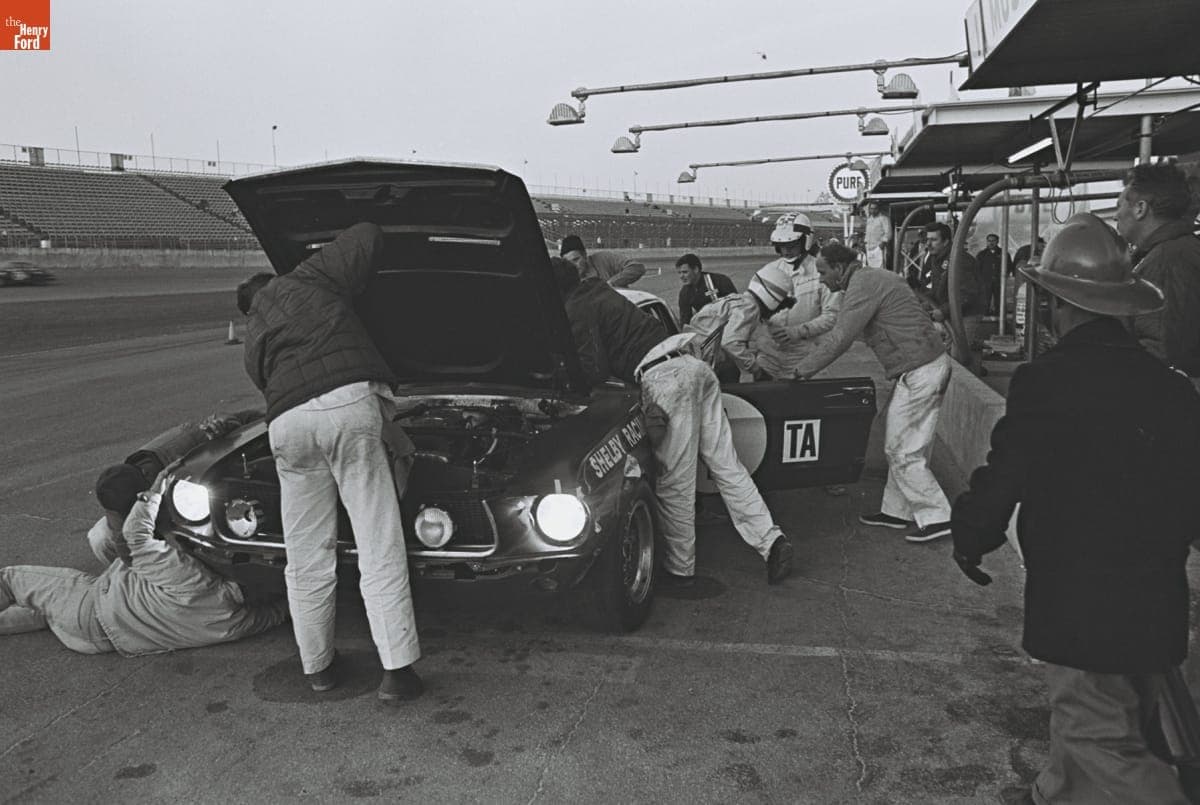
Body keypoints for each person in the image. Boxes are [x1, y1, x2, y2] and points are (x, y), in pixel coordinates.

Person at [949, 213, 1200, 805]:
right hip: (1155, 596)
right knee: (1115, 716)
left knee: (1100, 735)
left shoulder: (1046, 381)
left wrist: (971, 533)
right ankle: (1054, 792)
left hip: (1083, 601)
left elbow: (1005, 472)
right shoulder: (1173, 388)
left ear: (1057, 304)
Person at [237, 222, 423, 704]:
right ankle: (397, 671)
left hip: (287, 426)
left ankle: (317, 668)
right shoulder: (307, 278)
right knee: (377, 542)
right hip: (347, 406)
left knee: (304, 557)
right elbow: (367, 235)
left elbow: (273, 386)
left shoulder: (254, 336)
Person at [551, 257, 793, 586]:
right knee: (728, 467)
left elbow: (592, 369)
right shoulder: (601, 291)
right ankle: (771, 541)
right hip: (693, 364)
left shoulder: (576, 309)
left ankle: (680, 572)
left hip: (665, 378)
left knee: (675, 481)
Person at [1, 467, 288, 655]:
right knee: (42, 612)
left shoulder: (194, 582)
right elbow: (280, 613)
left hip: (91, 607)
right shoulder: (239, 622)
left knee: (10, 579)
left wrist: (155, 492)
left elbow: (134, 538)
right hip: (93, 643)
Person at [792, 243, 953, 544]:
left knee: (902, 449)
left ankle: (939, 517)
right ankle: (897, 511)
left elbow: (841, 336)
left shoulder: (863, 284)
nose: (822, 280)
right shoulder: (872, 278)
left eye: (824, 272)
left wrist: (802, 370)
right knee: (898, 441)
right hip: (919, 368)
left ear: (840, 268)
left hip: (922, 370)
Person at [88, 410, 263, 565]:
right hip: (160, 523)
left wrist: (228, 425)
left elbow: (252, 419)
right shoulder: (117, 499)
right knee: (100, 538)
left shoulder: (187, 440)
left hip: (205, 505)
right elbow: (127, 548)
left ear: (146, 474)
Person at [1116, 162, 1200, 381]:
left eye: (1120, 205)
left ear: (1140, 209)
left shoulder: (1167, 259)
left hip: (1166, 401)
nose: (1116, 215)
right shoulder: (1173, 250)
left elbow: (1161, 352)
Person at [754, 212, 840, 380]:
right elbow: (753, 311)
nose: (786, 250)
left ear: (805, 241)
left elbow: (832, 315)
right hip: (769, 356)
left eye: (792, 244)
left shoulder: (821, 272)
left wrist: (798, 331)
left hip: (806, 356)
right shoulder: (766, 272)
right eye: (782, 245)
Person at [686, 259, 796, 382]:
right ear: (773, 299)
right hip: (703, 359)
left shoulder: (740, 300)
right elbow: (730, 343)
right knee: (730, 370)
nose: (776, 312)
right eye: (779, 306)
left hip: (692, 351)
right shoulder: (750, 307)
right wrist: (756, 369)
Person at [924, 222, 987, 369]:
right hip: (952, 310)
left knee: (958, 357)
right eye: (927, 239)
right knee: (943, 354)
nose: (928, 244)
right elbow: (937, 288)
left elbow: (968, 294)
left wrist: (943, 311)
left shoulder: (960, 260)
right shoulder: (936, 258)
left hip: (968, 312)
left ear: (946, 241)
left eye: (933, 240)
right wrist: (923, 302)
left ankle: (967, 383)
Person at [560, 234, 646, 288]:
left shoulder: (604, 258)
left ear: (585, 255)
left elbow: (637, 267)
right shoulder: (567, 280)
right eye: (568, 262)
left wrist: (611, 284)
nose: (573, 266)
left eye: (576, 260)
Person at [676, 252, 735, 326]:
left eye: (685, 272)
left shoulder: (720, 281)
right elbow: (685, 320)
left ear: (696, 269)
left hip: (729, 324)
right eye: (679, 273)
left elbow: (737, 305)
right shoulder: (684, 293)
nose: (681, 276)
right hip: (708, 327)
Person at [975, 233, 1012, 317]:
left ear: (997, 241)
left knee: (999, 299)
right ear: (986, 242)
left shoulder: (1004, 254)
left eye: (993, 241)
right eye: (989, 241)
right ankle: (984, 315)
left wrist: (1005, 275)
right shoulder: (982, 254)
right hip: (985, 281)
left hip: (999, 281)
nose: (991, 243)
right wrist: (979, 280)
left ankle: (999, 316)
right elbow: (976, 268)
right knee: (985, 299)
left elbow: (1009, 266)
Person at [864, 201, 892, 269]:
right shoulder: (869, 220)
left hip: (878, 249)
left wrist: (881, 245)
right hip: (869, 249)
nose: (873, 210)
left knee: (880, 269)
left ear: (878, 209)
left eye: (875, 208)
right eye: (871, 208)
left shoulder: (883, 219)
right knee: (871, 269)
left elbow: (888, 233)